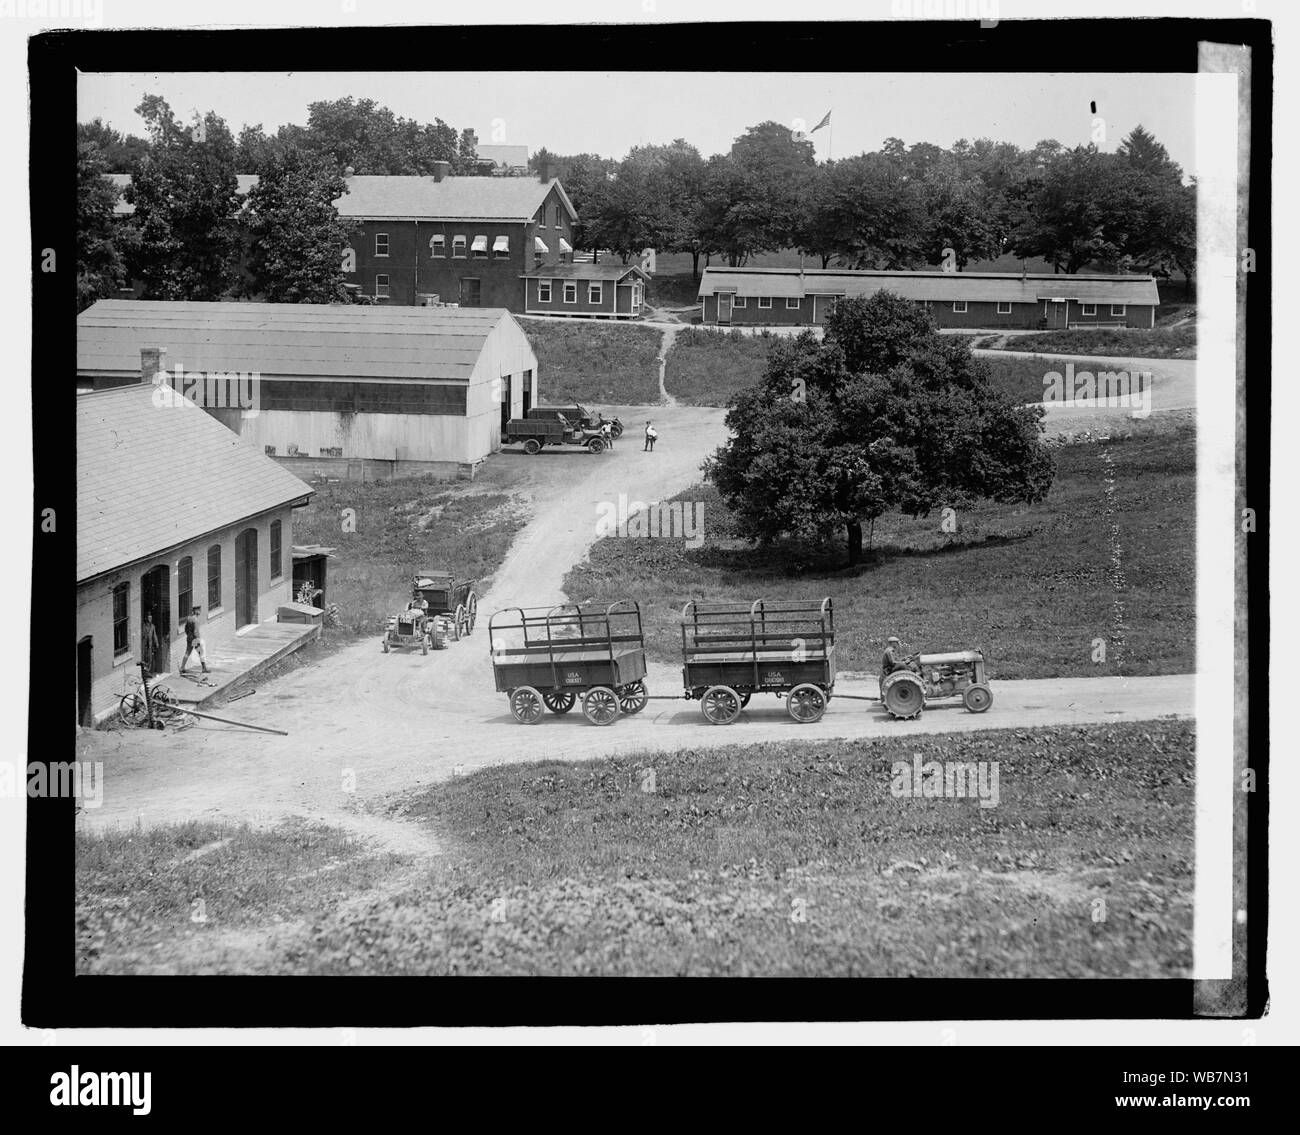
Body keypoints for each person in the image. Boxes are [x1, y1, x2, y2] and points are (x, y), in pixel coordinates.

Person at [179, 605, 210, 674]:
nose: (200, 611)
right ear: (196, 611)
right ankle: (204, 668)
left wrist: (188, 635)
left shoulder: (189, 618)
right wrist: (198, 639)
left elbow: (186, 629)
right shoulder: (195, 620)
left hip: (189, 638)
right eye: (199, 610)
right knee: (201, 652)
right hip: (195, 639)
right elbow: (196, 632)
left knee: (187, 652)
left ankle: (182, 667)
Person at [141, 610, 161, 677]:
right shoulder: (143, 626)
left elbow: (154, 635)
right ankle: (144, 672)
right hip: (144, 645)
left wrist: (157, 643)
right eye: (149, 618)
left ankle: (148, 672)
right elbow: (142, 635)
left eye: (151, 618)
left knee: (150, 659)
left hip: (150, 645)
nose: (150, 619)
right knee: (144, 658)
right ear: (146, 618)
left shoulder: (152, 626)